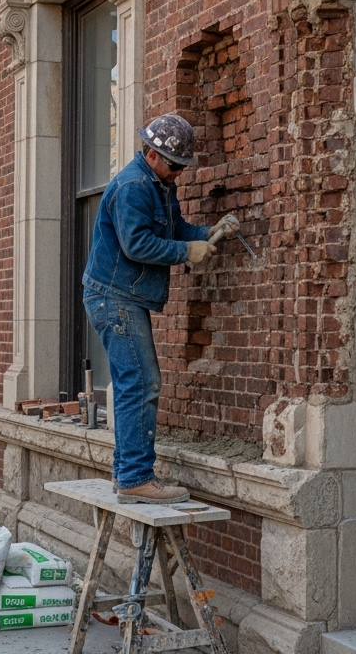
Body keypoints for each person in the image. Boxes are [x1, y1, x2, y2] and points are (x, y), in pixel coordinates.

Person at [82, 114, 240, 504]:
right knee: (142, 381)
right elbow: (137, 244)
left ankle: (127, 474)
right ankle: (136, 477)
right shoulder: (134, 186)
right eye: (174, 165)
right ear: (151, 154)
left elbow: (174, 228)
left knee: (135, 381)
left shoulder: (159, 183)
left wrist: (207, 233)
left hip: (121, 296)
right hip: (113, 296)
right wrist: (187, 251)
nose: (178, 174)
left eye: (182, 167)